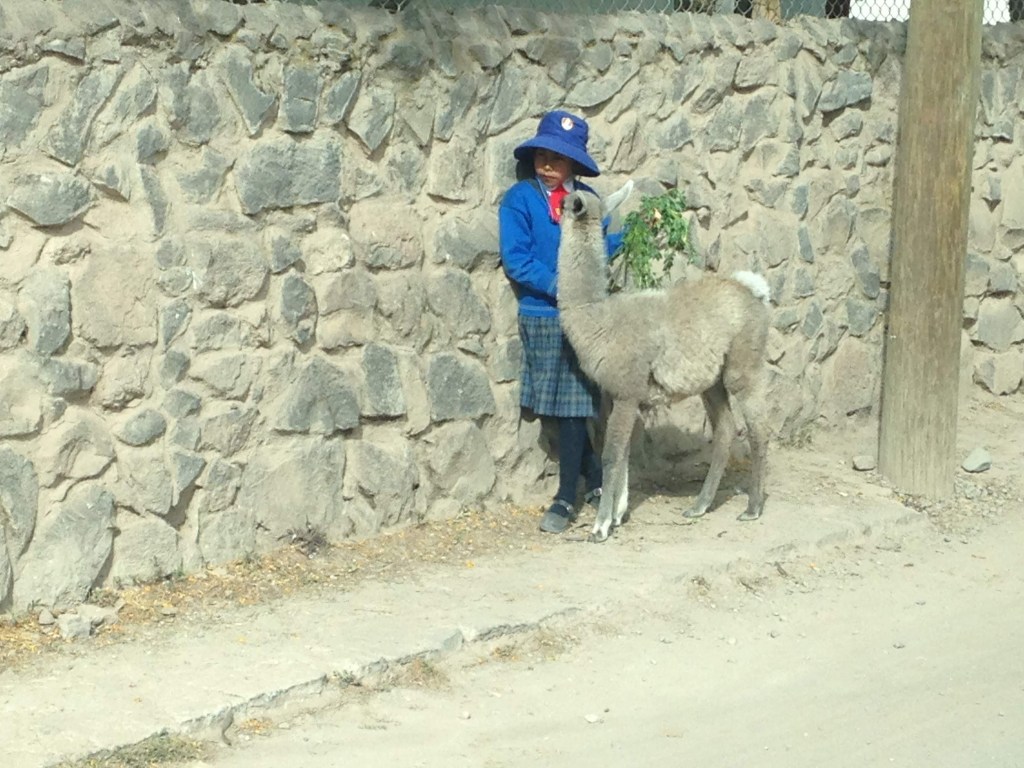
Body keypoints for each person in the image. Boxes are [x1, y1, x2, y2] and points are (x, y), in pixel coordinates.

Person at [498, 110, 624, 534]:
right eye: (542, 156)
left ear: (573, 163)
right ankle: (596, 477)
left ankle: (566, 496)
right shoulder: (521, 200)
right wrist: (562, 286)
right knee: (563, 408)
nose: (548, 165)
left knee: (575, 406)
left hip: (583, 319)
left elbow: (597, 246)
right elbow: (518, 259)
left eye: (558, 158)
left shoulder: (588, 200)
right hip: (544, 316)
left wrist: (631, 237)